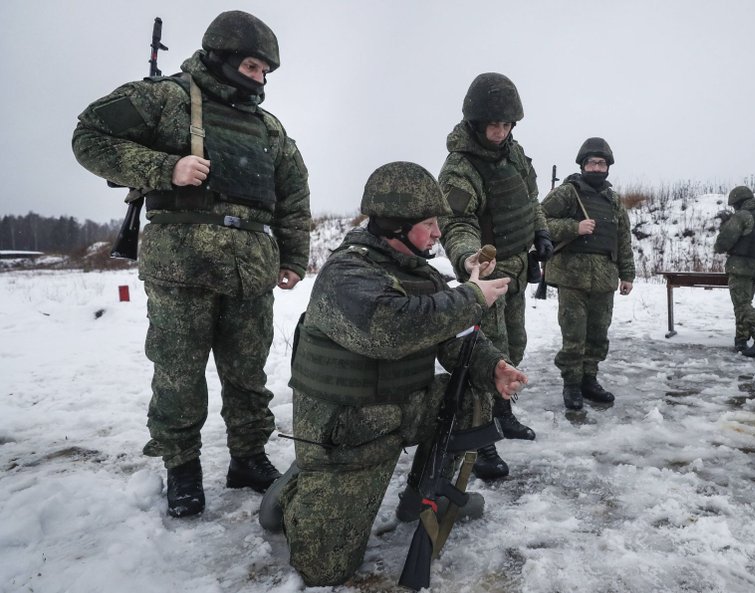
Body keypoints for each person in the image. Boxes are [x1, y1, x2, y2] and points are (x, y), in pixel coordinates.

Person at [72, 11, 311, 517]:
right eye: (251, 66)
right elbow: (89, 136)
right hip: (182, 266)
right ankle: (181, 466)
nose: (260, 78)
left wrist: (293, 256)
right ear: (222, 57)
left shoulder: (269, 128)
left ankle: (248, 457)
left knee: (248, 372)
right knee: (179, 373)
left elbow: (292, 196)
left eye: (266, 71)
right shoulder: (167, 98)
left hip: (251, 269)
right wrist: (165, 168)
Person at [266, 162, 526, 586]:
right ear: (394, 226)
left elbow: (453, 335)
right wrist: (471, 298)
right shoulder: (347, 273)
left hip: (406, 407)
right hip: (349, 431)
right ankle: (301, 487)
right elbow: (391, 330)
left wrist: (492, 365)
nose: (438, 233)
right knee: (323, 569)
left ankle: (425, 496)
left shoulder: (421, 273)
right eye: (428, 223)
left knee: (471, 393)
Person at [437, 72, 552, 479]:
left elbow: (530, 199)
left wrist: (540, 231)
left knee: (514, 344)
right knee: (486, 352)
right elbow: (456, 223)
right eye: (493, 125)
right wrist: (470, 259)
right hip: (486, 274)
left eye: (506, 125)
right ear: (475, 122)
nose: (500, 132)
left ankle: (502, 411)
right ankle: (479, 436)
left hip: (518, 267)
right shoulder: (460, 168)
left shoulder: (514, 154)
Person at [540, 138, 635, 409]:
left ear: (608, 167)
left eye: (601, 163)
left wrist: (627, 274)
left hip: (605, 277)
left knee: (597, 334)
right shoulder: (568, 192)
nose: (596, 167)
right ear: (583, 165)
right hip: (572, 276)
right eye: (591, 162)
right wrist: (574, 227)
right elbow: (538, 219)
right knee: (574, 334)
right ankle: (571, 384)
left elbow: (622, 239)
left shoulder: (613, 200)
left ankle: (589, 380)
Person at [714, 186, 755, 357]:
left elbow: (724, 240)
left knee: (742, 304)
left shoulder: (743, 215)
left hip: (740, 266)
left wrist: (720, 247)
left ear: (737, 203)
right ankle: (741, 340)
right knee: (743, 304)